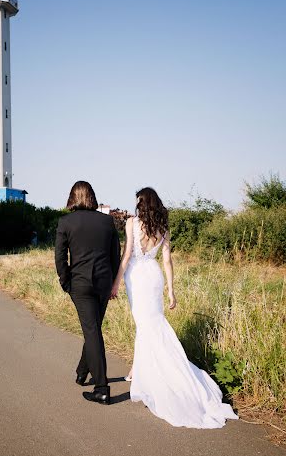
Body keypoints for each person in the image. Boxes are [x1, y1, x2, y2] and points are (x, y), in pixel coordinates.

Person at [110, 187, 238, 428]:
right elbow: (167, 260)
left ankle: (148, 375)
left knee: (145, 326)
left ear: (141, 204)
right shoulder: (163, 228)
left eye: (138, 202)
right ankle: (137, 369)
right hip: (155, 277)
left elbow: (126, 256)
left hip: (137, 277)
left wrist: (115, 284)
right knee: (149, 326)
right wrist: (170, 290)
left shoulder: (132, 224)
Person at [55, 181, 121, 405]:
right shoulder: (107, 221)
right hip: (103, 282)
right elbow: (115, 255)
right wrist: (112, 283)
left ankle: (101, 388)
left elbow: (60, 257)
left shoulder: (66, 222)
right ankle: (83, 372)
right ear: (92, 196)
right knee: (93, 328)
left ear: (72, 197)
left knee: (92, 330)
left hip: (80, 284)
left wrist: (66, 282)